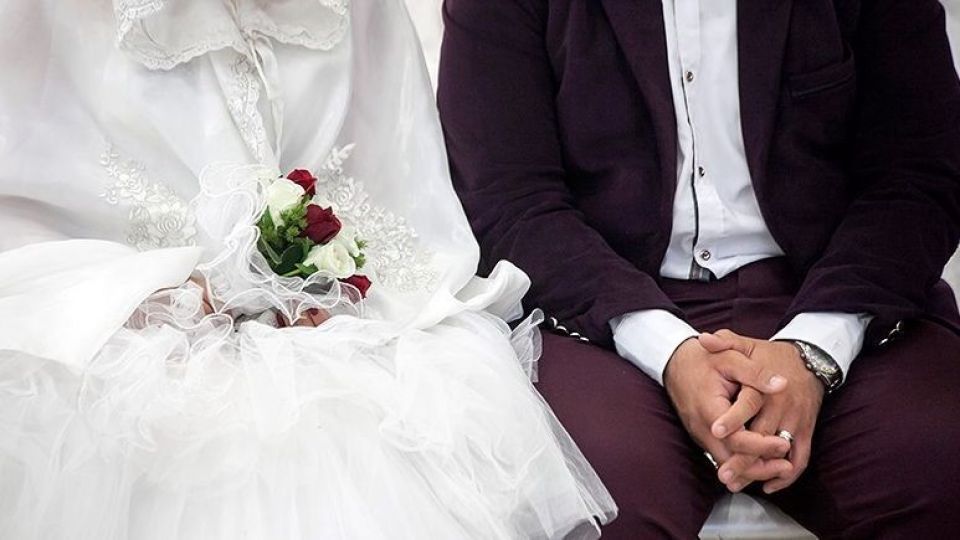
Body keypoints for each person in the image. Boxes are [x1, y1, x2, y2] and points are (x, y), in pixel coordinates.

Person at [0, 1, 617, 538]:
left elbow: (397, 190)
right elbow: (21, 215)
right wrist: (147, 292)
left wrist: (328, 284)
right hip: (118, 327)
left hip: (336, 330)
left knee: (369, 433)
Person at [439, 0, 960, 537]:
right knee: (603, 506)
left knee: (937, 469)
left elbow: (919, 178)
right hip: (602, 306)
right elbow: (510, 202)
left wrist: (814, 350)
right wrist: (668, 352)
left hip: (836, 288)